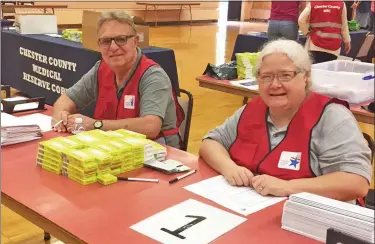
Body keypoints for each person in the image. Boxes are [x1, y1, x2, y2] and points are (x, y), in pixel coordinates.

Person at [199, 39, 371, 203]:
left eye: (285, 75)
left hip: (311, 221)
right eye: (266, 77)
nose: (274, 84)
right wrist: (229, 167)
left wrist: (288, 187)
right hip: (251, 210)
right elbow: (211, 143)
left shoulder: (332, 117)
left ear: (306, 76)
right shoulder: (251, 110)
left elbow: (356, 182)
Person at [51, 10, 183, 148]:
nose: (113, 47)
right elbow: (66, 99)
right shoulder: (100, 69)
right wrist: (61, 115)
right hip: (114, 146)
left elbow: (150, 126)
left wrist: (95, 125)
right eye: (106, 41)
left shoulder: (153, 76)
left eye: (121, 39)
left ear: (135, 41)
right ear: (99, 45)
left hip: (156, 151)